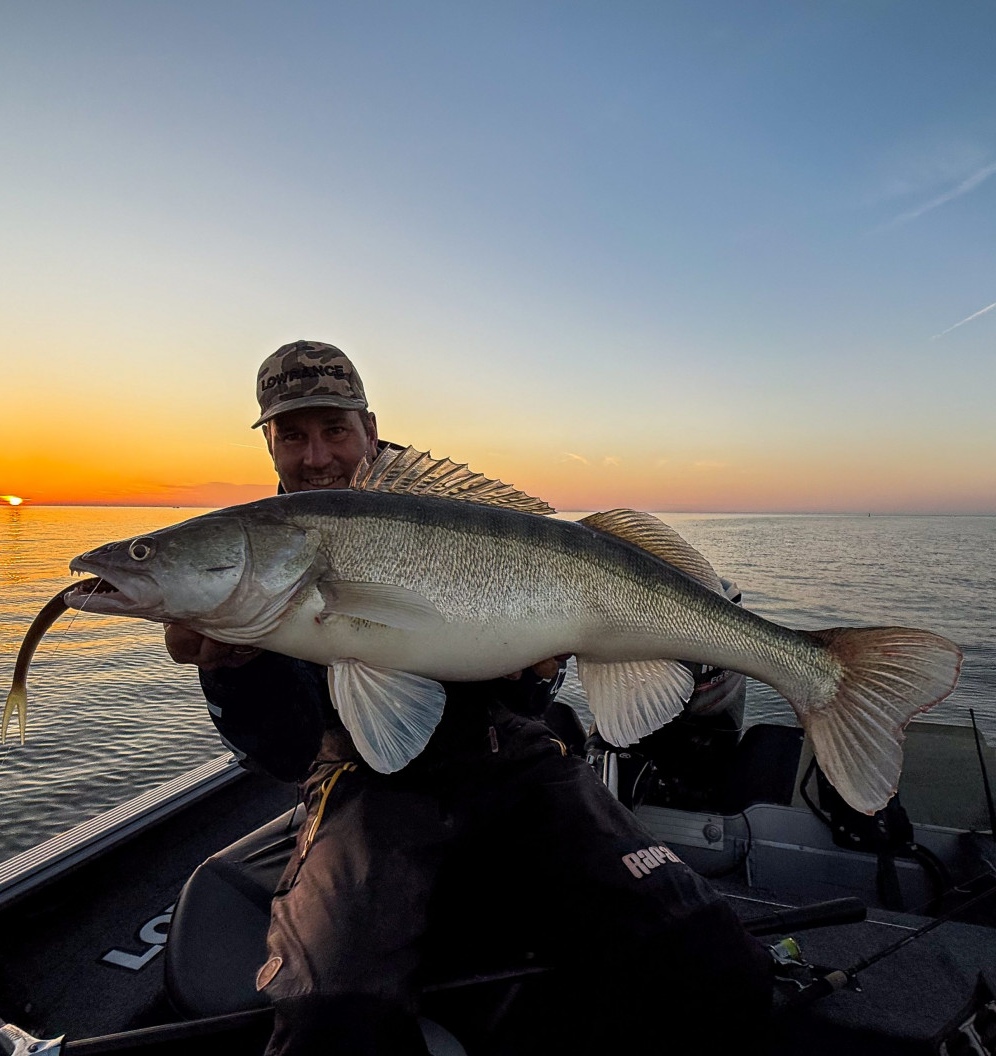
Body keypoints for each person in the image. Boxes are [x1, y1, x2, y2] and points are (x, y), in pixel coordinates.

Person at [165, 340, 773, 1055]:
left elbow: (531, 687)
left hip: (513, 759)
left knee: (709, 954)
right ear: (270, 446)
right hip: (367, 785)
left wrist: (533, 670)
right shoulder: (258, 563)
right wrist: (233, 672)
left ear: (370, 428)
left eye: (335, 429)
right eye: (292, 435)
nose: (317, 454)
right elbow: (287, 752)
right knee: (333, 1018)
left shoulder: (444, 516)